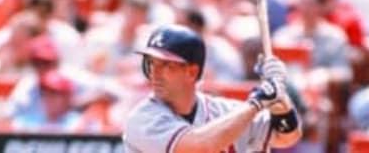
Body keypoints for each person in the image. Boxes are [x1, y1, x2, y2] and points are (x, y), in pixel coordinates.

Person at [123, 24, 301, 152]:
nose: (155, 73)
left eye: (166, 65)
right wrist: (256, 103)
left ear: (192, 72)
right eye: (152, 63)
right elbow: (199, 146)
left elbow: (287, 137)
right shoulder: (143, 119)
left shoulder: (227, 111)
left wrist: (280, 99)